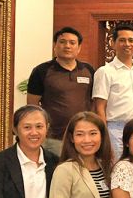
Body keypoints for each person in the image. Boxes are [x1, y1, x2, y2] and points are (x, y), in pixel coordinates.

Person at [26, 26, 95, 156]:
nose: (67, 46)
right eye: (62, 42)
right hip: (54, 137)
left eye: (72, 43)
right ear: (55, 46)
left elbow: (95, 102)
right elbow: (32, 107)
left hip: (83, 137)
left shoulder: (88, 70)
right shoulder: (42, 71)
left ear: (79, 47)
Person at [92, 24, 133, 159]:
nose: (127, 44)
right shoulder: (105, 72)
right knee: (117, 169)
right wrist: (104, 136)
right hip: (116, 130)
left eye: (131, 40)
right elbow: (100, 108)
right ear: (113, 43)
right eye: (122, 40)